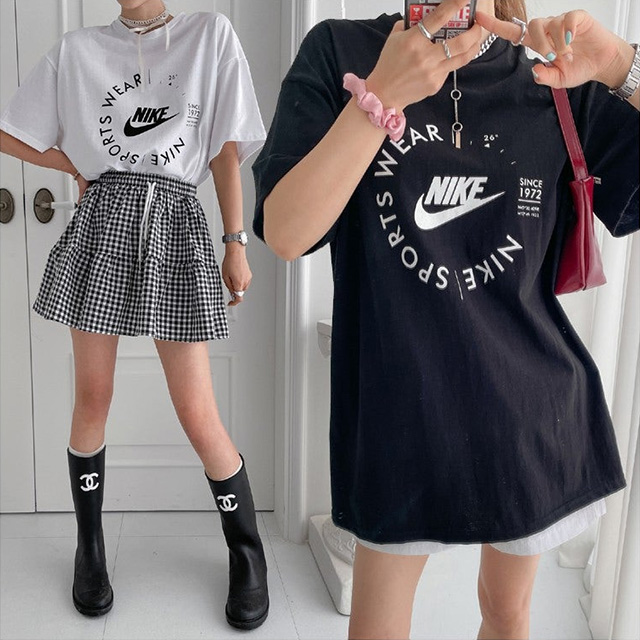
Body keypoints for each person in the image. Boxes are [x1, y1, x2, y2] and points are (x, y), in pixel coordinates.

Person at [252, 0, 639, 636]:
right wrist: (380, 95)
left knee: (507, 615)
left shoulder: (550, 72)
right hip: (400, 423)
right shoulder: (341, 52)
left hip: (530, 415)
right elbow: (286, 233)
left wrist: (622, 65)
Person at [0, 0, 269, 631]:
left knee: (197, 413)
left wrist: (235, 241)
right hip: (103, 223)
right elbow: (10, 130)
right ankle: (90, 550)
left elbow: (224, 148)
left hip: (176, 222)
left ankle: (246, 551)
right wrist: (71, 163)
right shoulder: (78, 51)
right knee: (92, 396)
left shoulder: (209, 35)